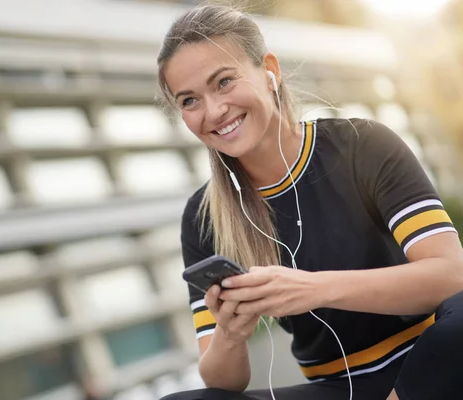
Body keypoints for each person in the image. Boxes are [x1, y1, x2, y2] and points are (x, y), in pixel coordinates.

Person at [156, 4, 463, 400]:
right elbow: (222, 383)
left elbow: (452, 275)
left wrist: (314, 289)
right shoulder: (204, 217)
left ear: (270, 70)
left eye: (224, 82)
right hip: (337, 388)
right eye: (189, 101)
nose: (214, 111)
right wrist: (230, 335)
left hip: (434, 362)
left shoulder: (361, 145)